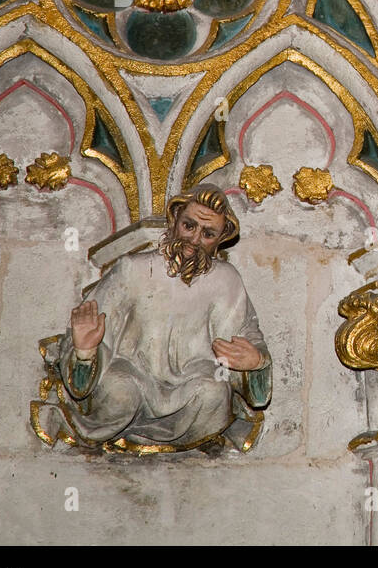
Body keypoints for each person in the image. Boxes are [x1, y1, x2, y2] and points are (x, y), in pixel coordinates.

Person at [43, 184, 272, 451]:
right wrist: (84, 352)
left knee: (215, 394)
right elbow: (90, 328)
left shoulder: (226, 281)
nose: (194, 240)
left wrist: (256, 363)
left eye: (208, 233)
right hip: (132, 375)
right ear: (174, 220)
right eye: (189, 226)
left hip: (191, 384)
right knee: (120, 392)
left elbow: (245, 338)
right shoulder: (133, 269)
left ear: (219, 240)